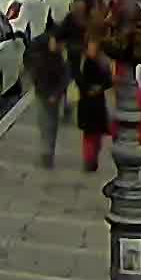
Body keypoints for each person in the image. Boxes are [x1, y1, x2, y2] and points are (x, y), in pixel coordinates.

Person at [26, 25, 74, 166]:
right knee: (44, 120)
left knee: (52, 122)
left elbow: (66, 75)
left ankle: (49, 151)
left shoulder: (62, 56)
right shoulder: (38, 48)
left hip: (55, 89)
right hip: (42, 89)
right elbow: (32, 67)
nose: (59, 47)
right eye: (58, 45)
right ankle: (46, 152)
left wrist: (57, 93)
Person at [73, 38, 116, 172]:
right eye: (90, 46)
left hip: (97, 102)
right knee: (89, 135)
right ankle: (89, 160)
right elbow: (78, 78)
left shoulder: (102, 62)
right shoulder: (83, 61)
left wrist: (99, 88)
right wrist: (88, 89)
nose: (92, 49)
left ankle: (93, 159)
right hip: (87, 102)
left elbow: (108, 80)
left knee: (96, 135)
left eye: (94, 47)